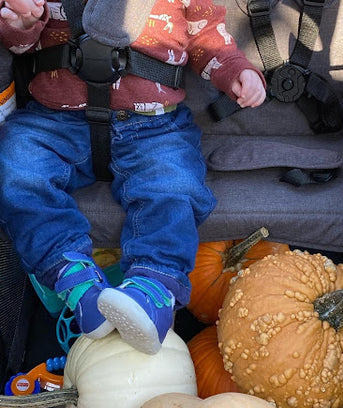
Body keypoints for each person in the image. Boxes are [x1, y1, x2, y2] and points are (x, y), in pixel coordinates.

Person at [0, 0, 266, 355]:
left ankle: (152, 288)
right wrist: (23, 22)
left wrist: (236, 71)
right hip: (56, 120)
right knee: (16, 166)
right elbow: (19, 47)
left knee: (173, 185)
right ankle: (72, 279)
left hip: (152, 123)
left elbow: (207, 37)